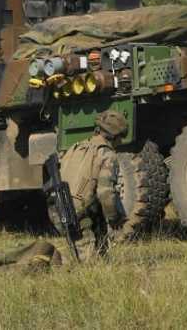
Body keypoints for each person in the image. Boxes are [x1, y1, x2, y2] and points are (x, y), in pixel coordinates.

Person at [51, 109, 127, 261]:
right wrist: (116, 219)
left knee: (82, 256)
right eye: (121, 137)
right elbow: (106, 194)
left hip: (57, 211)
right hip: (77, 217)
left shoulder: (76, 147)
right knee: (91, 267)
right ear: (114, 136)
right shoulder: (106, 155)